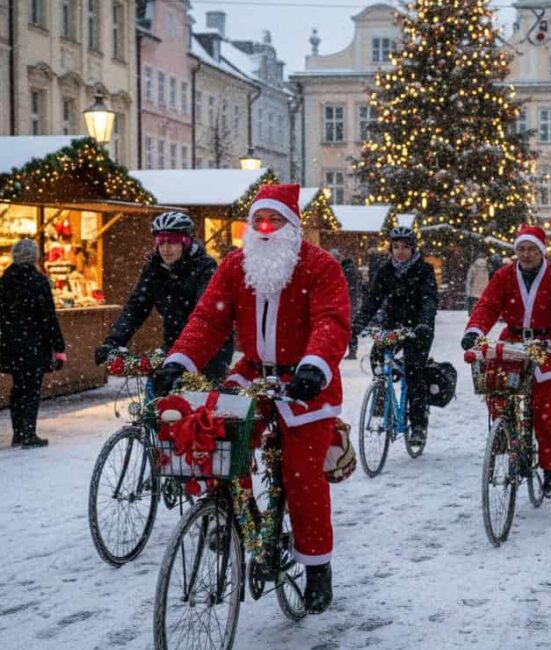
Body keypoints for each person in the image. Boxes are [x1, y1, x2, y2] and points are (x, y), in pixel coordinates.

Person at [151, 184, 350, 613]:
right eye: (258, 220)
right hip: (253, 375)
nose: (264, 229)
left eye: (274, 220)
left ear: (292, 225)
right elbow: (208, 319)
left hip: (305, 384)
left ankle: (317, 565)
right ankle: (235, 516)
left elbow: (331, 320)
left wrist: (314, 365)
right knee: (218, 440)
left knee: (301, 476)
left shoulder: (319, 266)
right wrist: (180, 360)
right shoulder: (237, 265)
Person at [461, 225, 551, 499]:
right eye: (521, 249)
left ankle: (550, 469)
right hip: (513, 341)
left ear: (542, 251)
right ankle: (507, 441)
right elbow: (488, 305)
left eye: (531, 250)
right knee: (500, 396)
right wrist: (474, 331)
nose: (525, 255)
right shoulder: (505, 275)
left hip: (544, 345)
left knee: (545, 412)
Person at [94, 212, 234, 382]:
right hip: (173, 343)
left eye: (172, 241)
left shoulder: (205, 268)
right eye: (161, 242)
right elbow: (136, 307)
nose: (166, 248)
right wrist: (113, 342)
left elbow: (205, 313)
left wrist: (186, 357)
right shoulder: (154, 269)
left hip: (209, 347)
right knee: (159, 395)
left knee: (199, 400)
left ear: (186, 242)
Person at [353, 226, 438, 446]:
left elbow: (429, 300)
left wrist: (425, 324)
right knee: (377, 358)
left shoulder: (424, 270)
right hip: (392, 326)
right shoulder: (385, 271)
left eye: (405, 247)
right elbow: (373, 300)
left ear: (413, 249)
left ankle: (418, 423)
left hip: (417, 327)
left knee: (414, 370)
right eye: (396, 247)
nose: (400, 252)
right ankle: (382, 401)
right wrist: (358, 324)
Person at [0, 239, 66, 448]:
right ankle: (29, 433)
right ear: (35, 257)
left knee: (18, 387)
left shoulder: (4, 280)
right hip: (34, 345)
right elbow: (49, 317)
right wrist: (59, 348)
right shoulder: (39, 281)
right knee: (31, 389)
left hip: (10, 345)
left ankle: (18, 432)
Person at [332, 250, 363, 360]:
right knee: (348, 326)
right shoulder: (351, 269)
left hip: (350, 301)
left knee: (349, 326)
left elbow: (347, 286)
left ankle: (352, 351)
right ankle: (352, 350)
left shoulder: (347, 270)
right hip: (352, 300)